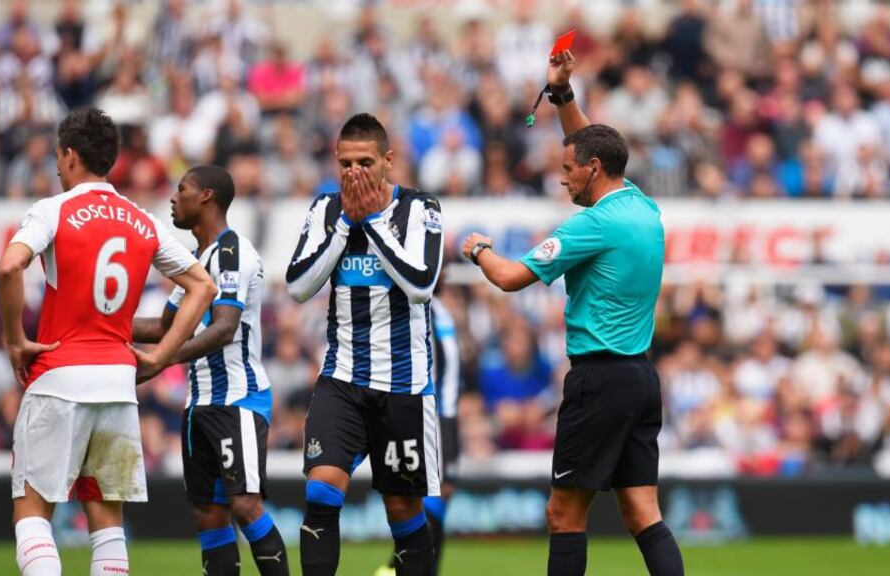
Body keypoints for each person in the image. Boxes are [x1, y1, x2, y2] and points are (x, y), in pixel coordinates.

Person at [461, 51, 685, 576]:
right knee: (641, 511)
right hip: (639, 378)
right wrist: (562, 94)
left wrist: (477, 249)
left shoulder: (590, 227)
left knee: (563, 514)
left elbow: (511, 278)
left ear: (592, 170)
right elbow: (594, 140)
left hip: (598, 380)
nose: (563, 181)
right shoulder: (640, 204)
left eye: (567, 171)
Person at [0, 107, 216, 576]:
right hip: (118, 385)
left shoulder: (53, 209)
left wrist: (16, 340)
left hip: (59, 376)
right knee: (108, 525)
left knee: (32, 515)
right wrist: (161, 354)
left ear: (71, 156)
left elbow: (8, 266)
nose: (57, 166)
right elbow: (204, 286)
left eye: (59, 156)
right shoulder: (142, 219)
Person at [287, 113, 444, 576]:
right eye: (345, 164)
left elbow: (421, 284)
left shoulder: (421, 209)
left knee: (402, 509)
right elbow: (298, 286)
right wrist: (344, 227)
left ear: (389, 161)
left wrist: (372, 223)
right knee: (320, 490)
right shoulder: (325, 210)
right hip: (342, 379)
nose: (354, 173)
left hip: (404, 385)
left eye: (365, 162)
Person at [132, 165, 288, 576]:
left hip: (237, 398)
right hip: (198, 402)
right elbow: (164, 328)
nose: (172, 197)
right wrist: (101, 322)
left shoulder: (232, 253)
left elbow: (224, 327)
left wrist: (160, 359)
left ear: (206, 197)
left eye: (181, 189)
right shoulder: (197, 263)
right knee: (208, 513)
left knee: (245, 505)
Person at [374, 272, 462, 576]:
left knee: (435, 496)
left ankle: (397, 566)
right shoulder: (424, 310)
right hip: (431, 413)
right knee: (429, 496)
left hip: (441, 414)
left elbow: (449, 369)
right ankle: (398, 566)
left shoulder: (436, 311)